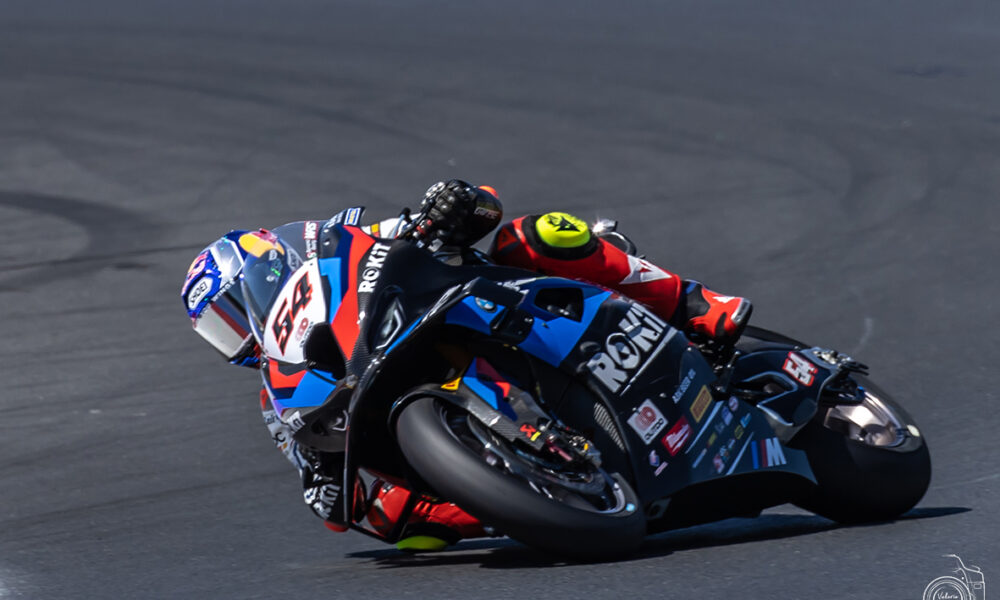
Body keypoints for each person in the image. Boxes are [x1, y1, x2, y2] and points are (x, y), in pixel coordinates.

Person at [180, 179, 752, 550]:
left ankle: (695, 305)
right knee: (395, 522)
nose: (238, 335)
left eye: (232, 313)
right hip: (399, 390)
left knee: (535, 235)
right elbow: (326, 494)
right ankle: (536, 499)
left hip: (486, 303)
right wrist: (325, 489)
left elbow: (482, 203)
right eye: (220, 332)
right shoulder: (279, 393)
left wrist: (452, 205)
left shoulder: (345, 244)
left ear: (268, 271)